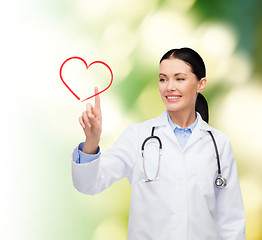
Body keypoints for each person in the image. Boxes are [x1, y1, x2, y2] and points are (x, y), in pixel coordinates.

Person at [72, 47, 246, 240]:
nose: (169, 87)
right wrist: (92, 141)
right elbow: (88, 184)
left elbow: (231, 220)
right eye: (163, 79)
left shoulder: (218, 144)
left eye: (179, 78)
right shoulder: (137, 136)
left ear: (200, 84)